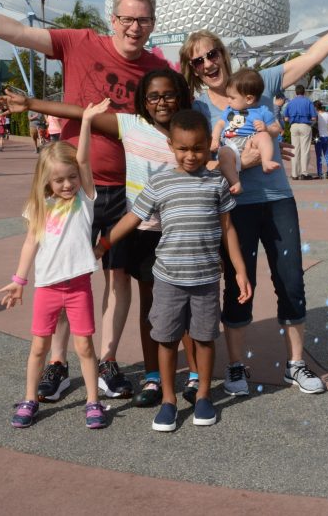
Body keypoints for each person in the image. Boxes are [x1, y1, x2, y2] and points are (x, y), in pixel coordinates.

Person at [0, 0, 169, 401]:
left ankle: (106, 361)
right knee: (65, 273)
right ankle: (57, 363)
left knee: (118, 277)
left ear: (152, 24)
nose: (134, 27)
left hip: (128, 190)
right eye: (127, 18)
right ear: (113, 19)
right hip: (74, 186)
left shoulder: (157, 68)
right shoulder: (80, 42)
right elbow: (14, 31)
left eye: (142, 20)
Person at [4, 69, 265, 408]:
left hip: (184, 232)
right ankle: (155, 377)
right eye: (153, 96)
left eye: (168, 95)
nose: (161, 102)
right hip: (143, 230)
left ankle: (193, 377)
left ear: (181, 97)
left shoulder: (189, 131)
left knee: (191, 308)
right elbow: (84, 114)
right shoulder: (131, 125)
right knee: (153, 307)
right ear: (143, 100)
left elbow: (225, 149)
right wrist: (31, 104)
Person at [181, 0, 328, 396]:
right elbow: (199, 164)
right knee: (239, 287)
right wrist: (245, 160)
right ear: (191, 70)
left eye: (211, 55)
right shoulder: (198, 110)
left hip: (277, 202)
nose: (208, 64)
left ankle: (295, 365)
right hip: (233, 208)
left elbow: (308, 58)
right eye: (197, 61)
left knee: (291, 282)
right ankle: (237, 367)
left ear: (222, 55)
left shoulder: (256, 84)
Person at [99, 110, 252, 430]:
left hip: (207, 278)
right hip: (167, 278)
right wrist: (104, 244)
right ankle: (168, 400)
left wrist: (239, 269)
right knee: (167, 340)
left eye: (198, 148)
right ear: (171, 145)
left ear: (207, 146)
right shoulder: (160, 182)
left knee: (205, 339)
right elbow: (132, 218)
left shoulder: (216, 183)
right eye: (183, 149)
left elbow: (229, 229)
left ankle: (204, 397)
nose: (191, 155)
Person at [0, 99, 109, 430]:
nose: (67, 185)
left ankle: (93, 402)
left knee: (85, 347)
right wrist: (19, 280)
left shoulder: (85, 200)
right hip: (47, 287)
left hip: (78, 287)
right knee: (39, 348)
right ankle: (30, 398)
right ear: (46, 181)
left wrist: (86, 121)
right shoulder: (40, 207)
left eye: (71, 177)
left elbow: (85, 159)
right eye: (59, 180)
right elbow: (30, 243)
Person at [212, 69, 282, 194]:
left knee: (264, 136)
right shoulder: (229, 110)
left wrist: (267, 129)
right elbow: (219, 125)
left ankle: (266, 161)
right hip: (231, 143)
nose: (228, 100)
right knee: (223, 154)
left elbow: (276, 129)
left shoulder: (262, 111)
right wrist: (215, 139)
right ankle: (235, 182)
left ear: (249, 99)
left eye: (232, 97)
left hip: (251, 141)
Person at [283, 84, 316, 180]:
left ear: (295, 92)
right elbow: (314, 117)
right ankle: (304, 173)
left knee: (295, 149)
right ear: (304, 92)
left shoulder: (291, 103)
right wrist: (310, 121)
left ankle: (294, 174)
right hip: (305, 125)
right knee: (304, 150)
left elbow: (285, 118)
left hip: (293, 126)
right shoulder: (308, 102)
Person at [312, 100, 328, 179]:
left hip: (318, 137)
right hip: (326, 136)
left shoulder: (316, 115)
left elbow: (313, 124)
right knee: (327, 155)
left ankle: (320, 173)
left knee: (319, 156)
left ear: (315, 107)